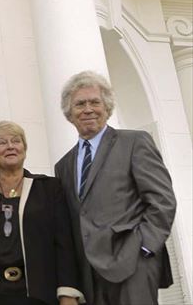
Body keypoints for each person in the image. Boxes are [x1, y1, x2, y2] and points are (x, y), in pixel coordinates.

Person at [55, 71, 176, 305]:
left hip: (133, 265)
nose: (88, 109)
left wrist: (144, 249)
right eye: (80, 104)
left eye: (95, 102)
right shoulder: (63, 165)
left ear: (107, 108)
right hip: (88, 274)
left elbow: (162, 200)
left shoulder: (134, 142)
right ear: (70, 113)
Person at [0, 121, 82, 305]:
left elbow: (64, 243)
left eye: (16, 141)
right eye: (2, 142)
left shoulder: (49, 188)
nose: (10, 146)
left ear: (24, 149)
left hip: (39, 294)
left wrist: (68, 293)